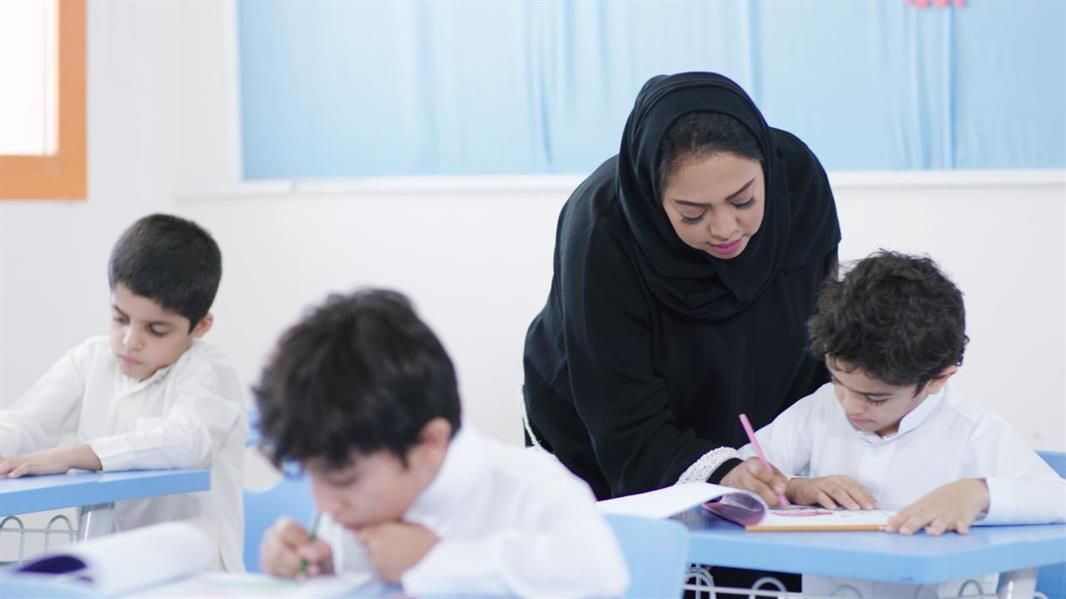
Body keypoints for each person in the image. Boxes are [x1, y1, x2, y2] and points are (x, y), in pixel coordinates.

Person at [523, 71, 840, 502]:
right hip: (602, 438)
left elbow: (816, 338)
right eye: (693, 213)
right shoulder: (602, 229)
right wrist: (723, 470)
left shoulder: (798, 183)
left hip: (761, 433)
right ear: (653, 197)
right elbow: (621, 416)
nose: (725, 228)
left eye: (744, 201)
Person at [255, 289, 628, 596]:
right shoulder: (352, 501)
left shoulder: (529, 489)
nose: (324, 504)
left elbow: (601, 576)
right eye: (311, 475)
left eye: (343, 479)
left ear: (430, 443)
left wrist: (435, 559)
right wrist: (314, 567)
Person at [741, 250, 1066, 598]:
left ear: (938, 379)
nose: (850, 405)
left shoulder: (974, 432)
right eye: (838, 382)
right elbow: (747, 468)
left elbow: (1058, 498)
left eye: (875, 398)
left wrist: (979, 493)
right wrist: (794, 486)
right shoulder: (820, 408)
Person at [0, 214, 247, 571]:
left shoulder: (208, 371)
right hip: (114, 571)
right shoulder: (91, 359)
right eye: (120, 318)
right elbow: (24, 423)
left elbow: (184, 443)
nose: (131, 341)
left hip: (196, 576)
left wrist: (71, 455)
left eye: (156, 330)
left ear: (201, 325)